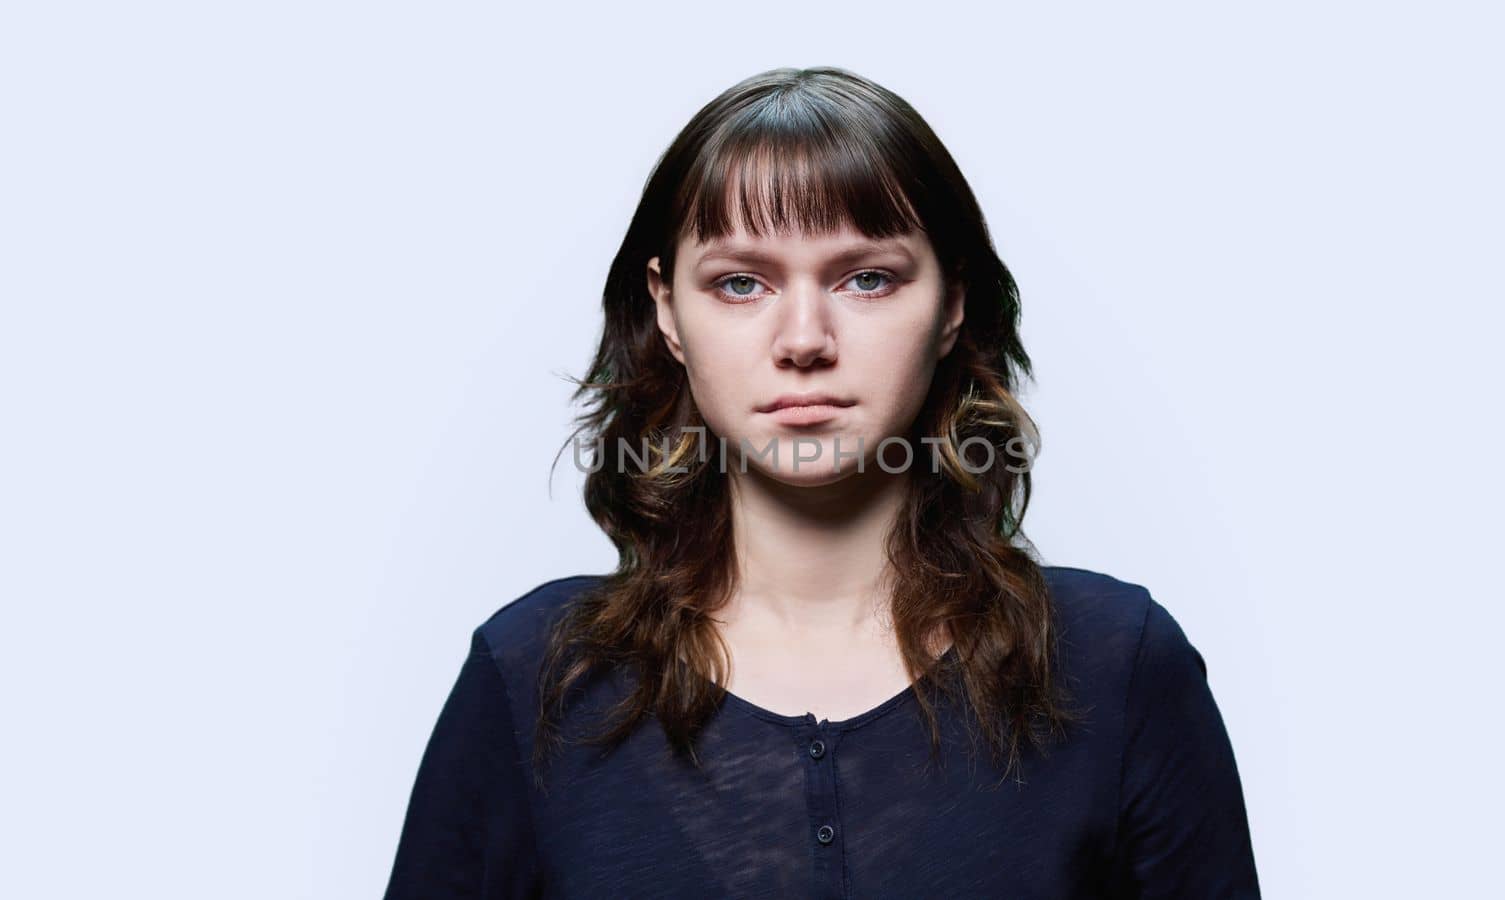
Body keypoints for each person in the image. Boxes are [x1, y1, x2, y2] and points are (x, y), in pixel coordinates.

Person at [383, 66, 1260, 899]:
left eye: (867, 278)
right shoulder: (539, 678)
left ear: (953, 300)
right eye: (739, 283)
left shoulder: (1117, 666)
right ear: (666, 309)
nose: (803, 338)